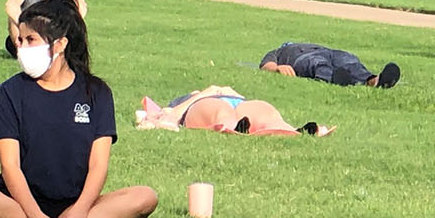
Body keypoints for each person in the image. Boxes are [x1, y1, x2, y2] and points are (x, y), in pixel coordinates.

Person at [0, 0, 157, 218]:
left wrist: (80, 210)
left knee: (145, 197)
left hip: (77, 202)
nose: (21, 47)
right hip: (19, 203)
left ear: (60, 44)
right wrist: (35, 214)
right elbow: (10, 166)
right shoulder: (11, 92)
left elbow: (98, 165)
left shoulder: (96, 93)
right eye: (19, 40)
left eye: (31, 40)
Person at [136, 87, 334, 136]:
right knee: (221, 113)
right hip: (212, 101)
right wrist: (206, 92)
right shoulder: (183, 103)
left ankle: (294, 130)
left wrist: (216, 90)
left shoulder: (203, 96)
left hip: (236, 101)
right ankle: (236, 127)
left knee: (265, 112)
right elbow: (167, 116)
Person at [260, 42, 400, 88]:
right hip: (303, 57)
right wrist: (277, 68)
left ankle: (374, 80)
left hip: (329, 52)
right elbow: (266, 65)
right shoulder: (279, 52)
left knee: (349, 60)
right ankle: (333, 78)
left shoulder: (309, 44)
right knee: (317, 64)